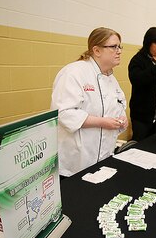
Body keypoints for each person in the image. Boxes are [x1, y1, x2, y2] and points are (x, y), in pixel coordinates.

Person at [50, 27, 128, 177]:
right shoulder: (74, 72)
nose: (119, 51)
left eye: (120, 46)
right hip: (75, 162)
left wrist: (122, 119)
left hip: (103, 158)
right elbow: (64, 113)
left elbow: (118, 107)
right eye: (113, 47)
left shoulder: (110, 78)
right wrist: (102, 122)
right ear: (97, 50)